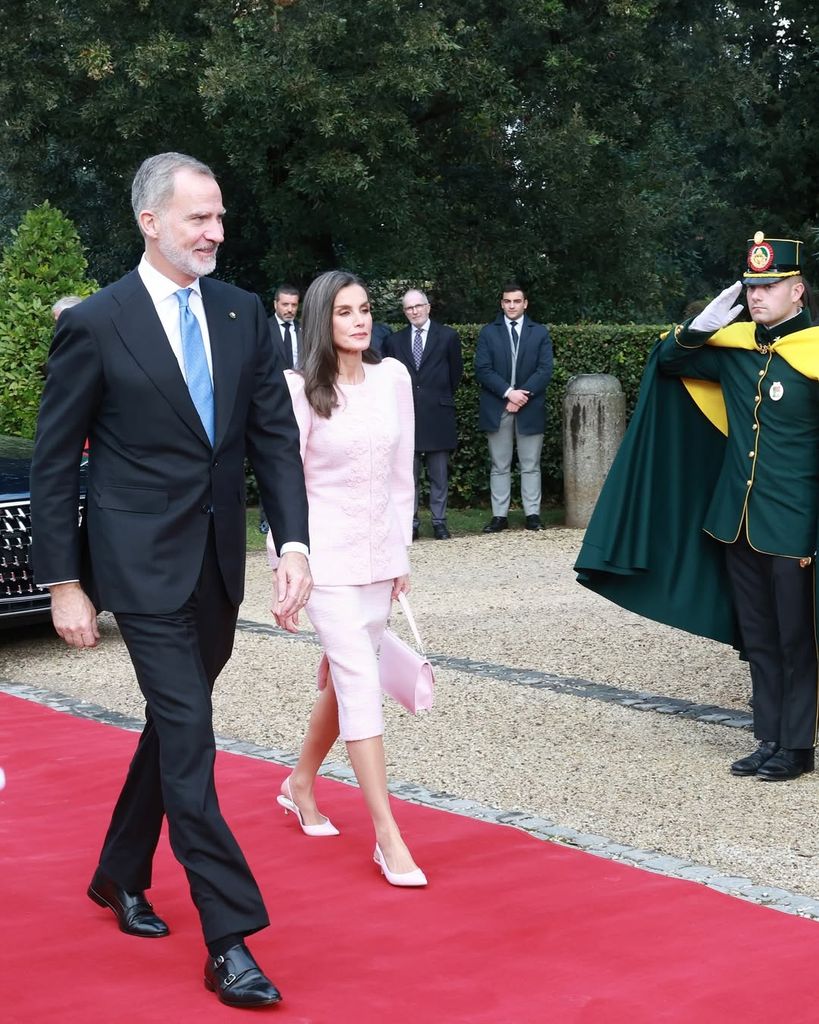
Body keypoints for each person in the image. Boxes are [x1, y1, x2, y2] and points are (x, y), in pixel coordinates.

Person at [30, 152, 312, 1008]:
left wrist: (292, 544)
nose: (215, 233)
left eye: (220, 217)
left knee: (170, 726)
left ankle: (118, 871)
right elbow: (53, 465)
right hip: (139, 567)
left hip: (216, 563)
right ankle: (230, 937)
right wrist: (63, 582)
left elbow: (272, 437)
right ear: (150, 221)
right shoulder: (98, 322)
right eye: (199, 218)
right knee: (191, 736)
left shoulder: (242, 311)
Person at [576, 232, 819, 782]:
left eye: (768, 287)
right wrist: (696, 329)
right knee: (757, 633)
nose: (756, 296)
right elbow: (666, 365)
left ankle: (799, 745)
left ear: (797, 291)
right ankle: (770, 735)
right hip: (736, 517)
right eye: (751, 287)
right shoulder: (735, 350)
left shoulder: (815, 354)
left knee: (796, 636)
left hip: (795, 522)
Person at [267, 269, 427, 887]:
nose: (359, 320)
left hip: (375, 559)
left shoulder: (393, 380)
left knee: (346, 679)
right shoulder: (300, 388)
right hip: (325, 562)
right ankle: (388, 836)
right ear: (320, 321)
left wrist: (400, 558)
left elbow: (399, 479)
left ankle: (299, 782)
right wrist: (288, 562)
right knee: (359, 678)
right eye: (343, 312)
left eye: (363, 309)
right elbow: (286, 486)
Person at [474, 283, 554, 533]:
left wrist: (522, 395)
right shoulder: (489, 332)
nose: (511, 306)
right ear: (502, 303)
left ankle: (532, 514)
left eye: (516, 301)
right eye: (507, 301)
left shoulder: (539, 332)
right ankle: (500, 516)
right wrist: (509, 393)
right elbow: (483, 369)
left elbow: (545, 370)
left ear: (525, 303)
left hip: (530, 406)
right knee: (500, 465)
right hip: (498, 405)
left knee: (531, 463)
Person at [385, 289, 463, 540]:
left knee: (438, 474)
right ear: (404, 311)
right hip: (405, 415)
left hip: (437, 413)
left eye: (418, 306)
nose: (414, 311)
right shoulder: (394, 341)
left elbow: (455, 375)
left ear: (428, 307)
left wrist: (438, 397)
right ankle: (411, 522)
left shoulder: (448, 336)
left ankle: (440, 521)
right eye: (409, 308)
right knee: (408, 475)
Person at [268, 283, 301, 369]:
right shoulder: (265, 328)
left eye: (294, 305)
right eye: (285, 304)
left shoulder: (304, 329)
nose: (290, 310)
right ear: (275, 304)